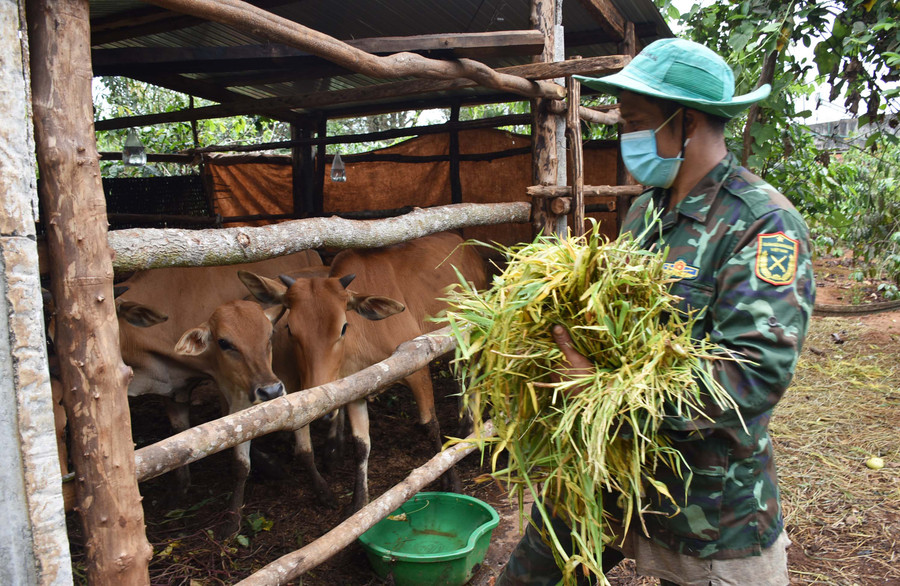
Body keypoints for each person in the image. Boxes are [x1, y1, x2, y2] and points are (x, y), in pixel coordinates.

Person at [496, 38, 816, 586]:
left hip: (707, 503)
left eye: (634, 121)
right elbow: (617, 321)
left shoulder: (762, 224)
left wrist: (601, 391)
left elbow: (752, 375)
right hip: (606, 474)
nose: (626, 137)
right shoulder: (646, 209)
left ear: (686, 122)